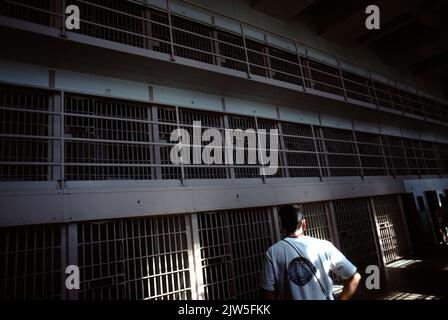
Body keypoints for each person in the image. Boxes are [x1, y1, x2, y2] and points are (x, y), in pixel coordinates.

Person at [260, 204, 361, 300]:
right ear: (304, 224)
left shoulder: (273, 252)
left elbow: (267, 292)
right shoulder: (324, 246)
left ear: (283, 226)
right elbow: (355, 277)